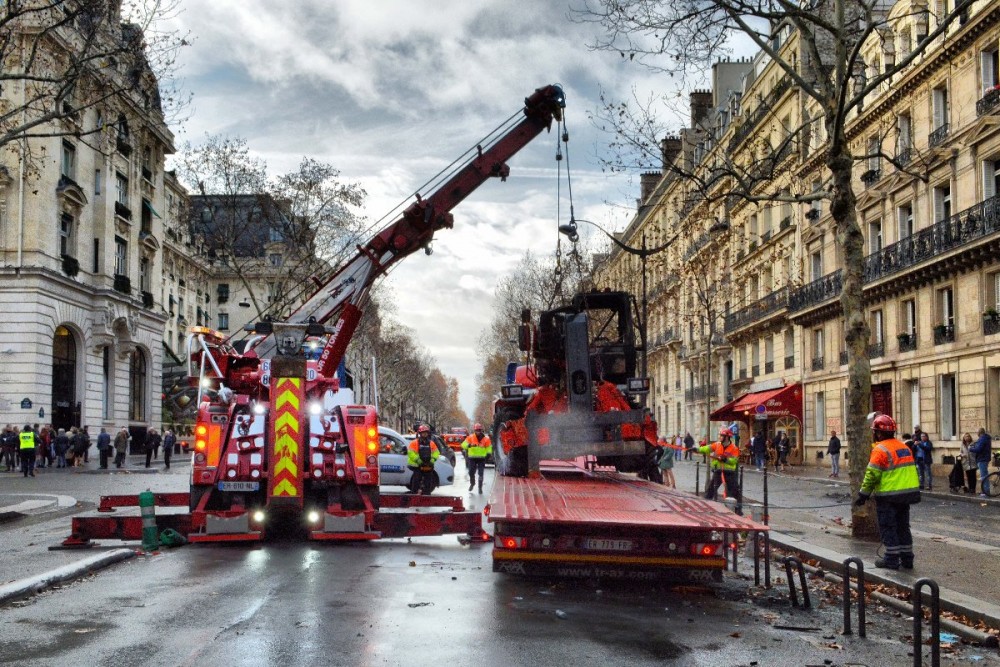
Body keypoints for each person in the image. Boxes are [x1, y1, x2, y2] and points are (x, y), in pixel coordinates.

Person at [855, 413, 920, 570]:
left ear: (878, 432)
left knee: (888, 526)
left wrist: (863, 494)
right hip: (906, 495)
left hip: (888, 496)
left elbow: (872, 474)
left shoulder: (880, 450)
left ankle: (891, 559)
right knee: (903, 527)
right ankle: (907, 559)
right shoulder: (904, 447)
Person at [697, 428, 740, 504]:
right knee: (710, 490)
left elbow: (734, 461)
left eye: (722, 436)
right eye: (720, 435)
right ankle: (706, 504)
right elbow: (706, 448)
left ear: (727, 437)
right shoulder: (717, 445)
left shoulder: (734, 448)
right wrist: (696, 449)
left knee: (734, 492)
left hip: (729, 473)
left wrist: (725, 460)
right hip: (718, 472)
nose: (720, 437)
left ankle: (737, 509)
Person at [407, 424, 440, 495]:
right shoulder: (414, 443)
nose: (424, 434)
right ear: (420, 433)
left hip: (428, 464)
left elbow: (436, 452)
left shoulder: (431, 443)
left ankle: (427, 495)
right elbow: (410, 452)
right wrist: (417, 460)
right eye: (423, 432)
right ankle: (414, 494)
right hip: (417, 465)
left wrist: (433, 459)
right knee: (416, 480)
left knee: (428, 481)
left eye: (426, 432)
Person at [461, 423, 492, 494]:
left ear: (481, 430)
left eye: (479, 430)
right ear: (474, 430)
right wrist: (469, 445)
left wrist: (488, 454)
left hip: (481, 458)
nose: (478, 432)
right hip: (472, 458)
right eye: (477, 430)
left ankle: (480, 488)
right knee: (471, 472)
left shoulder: (486, 439)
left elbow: (489, 448)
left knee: (481, 473)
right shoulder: (470, 437)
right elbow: (463, 445)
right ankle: (472, 483)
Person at [970, 428, 993, 498]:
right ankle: (985, 491)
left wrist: (970, 449)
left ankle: (986, 492)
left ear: (979, 432)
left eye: (977, 432)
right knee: (985, 475)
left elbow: (979, 449)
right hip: (984, 458)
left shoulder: (982, 439)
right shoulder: (985, 438)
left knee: (984, 476)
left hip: (982, 459)